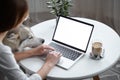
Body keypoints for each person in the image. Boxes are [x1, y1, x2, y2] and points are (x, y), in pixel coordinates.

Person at [0, 0, 61, 80]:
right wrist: (49, 63)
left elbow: (4, 59)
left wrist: (32, 52)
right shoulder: (2, 50)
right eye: (24, 17)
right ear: (13, 19)